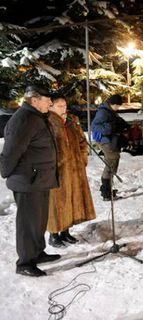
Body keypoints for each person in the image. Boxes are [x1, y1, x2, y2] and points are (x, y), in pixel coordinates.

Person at [0, 85, 60, 277]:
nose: (50, 102)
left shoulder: (37, 117)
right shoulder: (24, 119)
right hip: (28, 181)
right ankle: (24, 262)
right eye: (47, 99)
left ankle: (37, 253)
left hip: (39, 179)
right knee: (28, 223)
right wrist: (6, 172)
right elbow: (11, 152)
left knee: (39, 220)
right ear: (34, 100)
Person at [47, 96, 96, 247]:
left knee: (71, 200)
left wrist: (82, 159)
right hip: (57, 171)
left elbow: (82, 141)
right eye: (59, 106)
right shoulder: (47, 122)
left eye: (65, 105)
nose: (63, 109)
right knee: (56, 203)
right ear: (51, 107)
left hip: (74, 169)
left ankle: (66, 232)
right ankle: (54, 234)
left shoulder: (71, 121)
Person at [91, 94, 130, 200]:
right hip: (105, 141)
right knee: (111, 163)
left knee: (113, 163)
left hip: (110, 140)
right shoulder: (103, 112)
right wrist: (111, 126)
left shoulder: (110, 111)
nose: (118, 108)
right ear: (112, 104)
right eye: (117, 106)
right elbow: (95, 127)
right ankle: (106, 192)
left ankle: (107, 189)